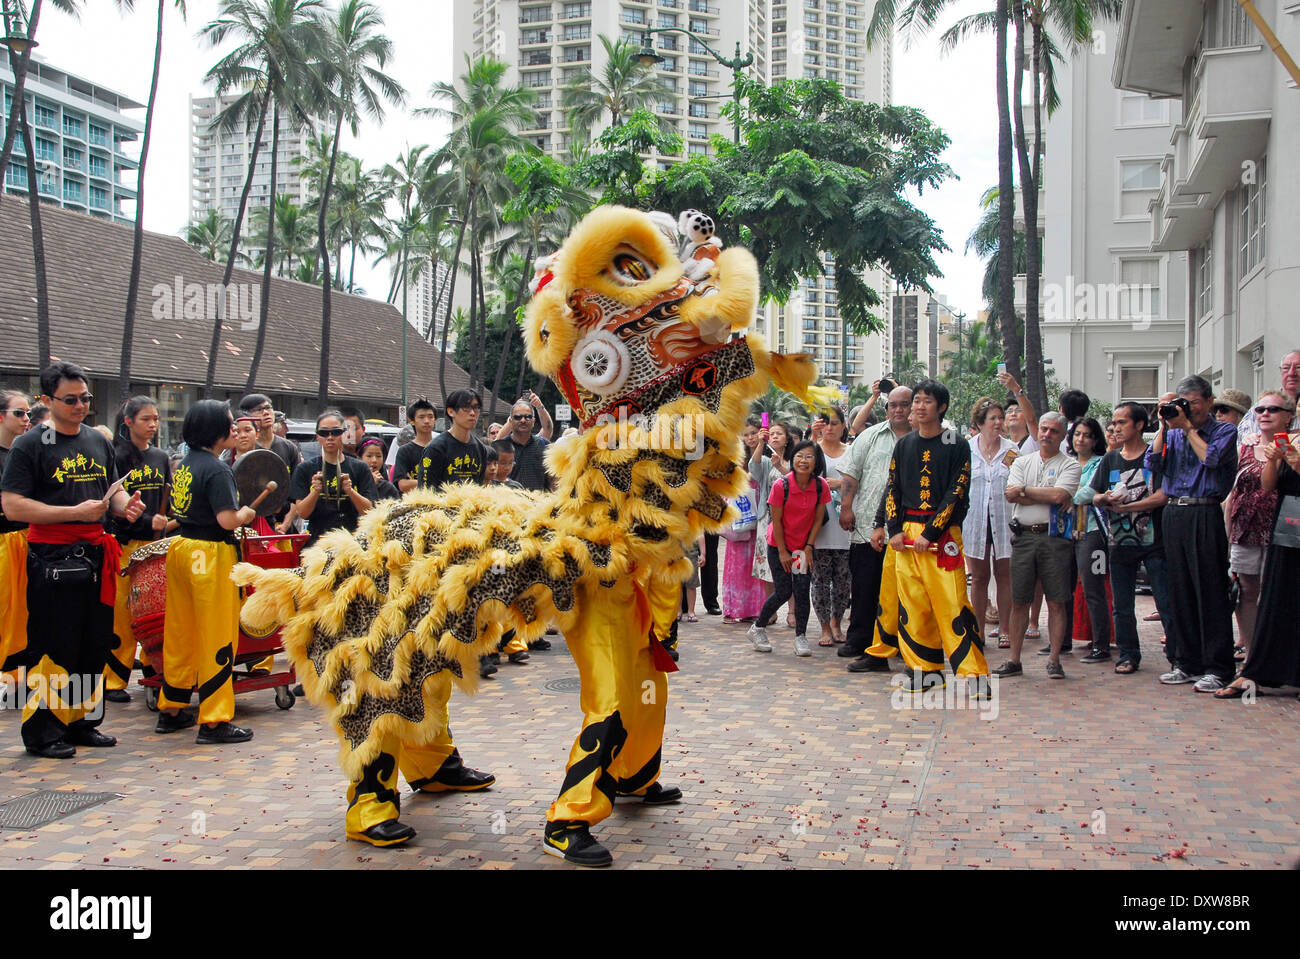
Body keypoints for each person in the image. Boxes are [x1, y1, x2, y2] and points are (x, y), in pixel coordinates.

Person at [1, 362, 145, 758]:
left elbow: (110, 489)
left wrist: (124, 507)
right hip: (52, 558)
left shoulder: (97, 441)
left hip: (97, 554)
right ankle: (44, 731)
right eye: (71, 400)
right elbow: (12, 506)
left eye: (85, 398)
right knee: (53, 646)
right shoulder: (30, 445)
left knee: (93, 642)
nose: (81, 405)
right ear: (46, 400)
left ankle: (81, 720)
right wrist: (72, 513)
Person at [864, 380, 989, 690]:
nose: (918, 407)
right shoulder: (904, 444)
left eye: (926, 401)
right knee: (913, 605)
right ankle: (925, 672)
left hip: (942, 537)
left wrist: (932, 532)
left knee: (953, 603)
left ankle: (973, 675)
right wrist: (892, 528)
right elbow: (893, 487)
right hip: (906, 537)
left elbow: (956, 492)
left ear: (941, 407)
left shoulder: (955, 443)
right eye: (916, 401)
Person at [154, 400, 257, 744]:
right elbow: (227, 520)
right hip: (210, 554)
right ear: (213, 430)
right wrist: (245, 514)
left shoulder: (185, 465)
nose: (233, 429)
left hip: (182, 548)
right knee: (217, 636)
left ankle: (171, 709)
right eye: (229, 424)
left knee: (181, 633)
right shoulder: (216, 469)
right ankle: (213, 720)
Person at [1147, 375, 1238, 693]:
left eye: (1193, 403)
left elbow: (1212, 458)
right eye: (1181, 403)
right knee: (1179, 589)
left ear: (1209, 402)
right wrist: (1163, 426)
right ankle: (1185, 662)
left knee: (1210, 590)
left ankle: (1218, 666)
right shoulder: (1172, 431)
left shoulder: (1224, 430)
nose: (1186, 409)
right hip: (1174, 512)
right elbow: (1152, 462)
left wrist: (1187, 428)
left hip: (1204, 510)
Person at [995, 412, 1081, 680]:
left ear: (1063, 435)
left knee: (1056, 601)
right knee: (1019, 599)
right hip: (1023, 537)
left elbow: (1060, 495)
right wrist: (1047, 494)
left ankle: (1054, 660)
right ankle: (1014, 660)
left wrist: (1026, 491)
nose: (1046, 434)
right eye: (1043, 429)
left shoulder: (1071, 465)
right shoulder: (1022, 461)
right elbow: (1010, 494)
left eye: (1053, 431)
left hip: (1055, 538)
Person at [1215, 433, 1300, 698]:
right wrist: (1274, 461)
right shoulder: (1291, 439)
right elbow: (1268, 486)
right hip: (1288, 526)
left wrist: (1297, 464)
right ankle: (1258, 673)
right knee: (1277, 599)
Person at [1089, 402, 1168, 675]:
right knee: (1122, 605)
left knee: (1166, 602)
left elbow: (1162, 495)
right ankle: (1128, 654)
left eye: (1122, 422)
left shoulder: (1153, 457)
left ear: (1140, 425)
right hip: (1119, 541)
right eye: (1114, 423)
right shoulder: (1110, 459)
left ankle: (1179, 655)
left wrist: (1128, 507)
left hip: (1153, 542)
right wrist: (1105, 499)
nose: (1116, 428)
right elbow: (1093, 494)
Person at [839, 384, 912, 672]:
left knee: (905, 591)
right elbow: (851, 474)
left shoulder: (925, 439)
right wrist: (846, 507)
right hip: (868, 525)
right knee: (866, 585)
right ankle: (860, 640)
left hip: (909, 531)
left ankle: (902, 643)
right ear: (886, 408)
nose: (898, 410)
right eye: (893, 405)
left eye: (904, 404)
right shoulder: (870, 436)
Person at [105, 396, 172, 703]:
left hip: (156, 546)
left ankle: (153, 672)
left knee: (155, 613)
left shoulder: (160, 456)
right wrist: (145, 519)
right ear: (128, 421)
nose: (153, 425)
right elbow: (111, 502)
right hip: (124, 545)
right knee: (122, 613)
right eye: (146, 419)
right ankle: (113, 680)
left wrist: (168, 520)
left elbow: (170, 494)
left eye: (156, 419)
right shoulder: (116, 456)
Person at [1223, 391, 1291, 663]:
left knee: (1277, 592)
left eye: (1272, 409)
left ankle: (1277, 657)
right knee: (1246, 591)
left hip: (1282, 530)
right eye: (1260, 409)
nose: (1264, 414)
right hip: (1245, 528)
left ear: (1287, 416)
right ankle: (1251, 655)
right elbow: (1233, 494)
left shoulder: (1292, 447)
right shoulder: (1245, 447)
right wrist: (1227, 535)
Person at [748, 440, 829, 657]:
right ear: (793, 458)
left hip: (803, 549)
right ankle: (757, 628)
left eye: (809, 457)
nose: (804, 461)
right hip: (779, 545)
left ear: (816, 461)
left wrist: (809, 547)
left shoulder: (821, 486)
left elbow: (818, 519)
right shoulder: (781, 485)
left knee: (802, 591)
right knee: (783, 591)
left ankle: (801, 637)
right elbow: (777, 522)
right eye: (800, 456)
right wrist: (783, 552)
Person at [962, 396, 1017, 649]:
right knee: (979, 576)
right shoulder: (967, 449)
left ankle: (1005, 628)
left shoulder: (1012, 450)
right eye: (992, 418)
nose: (998, 422)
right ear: (980, 423)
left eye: (1000, 417)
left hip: (1004, 519)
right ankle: (978, 629)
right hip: (975, 520)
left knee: (1004, 574)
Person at [289, 410, 377, 546]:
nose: (330, 437)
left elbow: (369, 510)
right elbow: (302, 513)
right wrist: (315, 491)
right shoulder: (305, 468)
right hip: (317, 542)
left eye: (335, 432)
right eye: (324, 433)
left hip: (351, 541)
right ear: (317, 436)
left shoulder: (360, 468)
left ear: (345, 434)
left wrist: (350, 491)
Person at [1067, 418, 1114, 663]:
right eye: (1077, 434)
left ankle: (1101, 645)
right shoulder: (1066, 462)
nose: (1080, 439)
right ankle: (1062, 641)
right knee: (1064, 589)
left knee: (1092, 589)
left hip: (1093, 532)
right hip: (1065, 531)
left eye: (1086, 435)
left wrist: (1063, 494)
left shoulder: (1101, 463)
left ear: (1095, 440)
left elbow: (1088, 492)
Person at [811, 407, 852, 646]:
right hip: (819, 526)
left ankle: (837, 622)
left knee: (843, 581)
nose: (830, 428)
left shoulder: (852, 451)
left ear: (844, 426)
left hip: (845, 524)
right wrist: (812, 439)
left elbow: (860, 480)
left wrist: (841, 483)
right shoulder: (813, 451)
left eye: (835, 423)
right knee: (820, 580)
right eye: (825, 423)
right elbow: (800, 471)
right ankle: (824, 626)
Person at [720, 420, 767, 625]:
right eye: (746, 434)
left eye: (754, 433)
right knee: (737, 565)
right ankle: (734, 608)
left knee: (755, 565)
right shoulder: (734, 457)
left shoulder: (765, 458)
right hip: (739, 518)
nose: (750, 438)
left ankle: (756, 609)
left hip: (760, 516)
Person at [0, 390, 32, 681]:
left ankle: (16, 674)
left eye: (27, 414)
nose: (25, 419)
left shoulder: (22, 454)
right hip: (3, 541)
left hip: (25, 539)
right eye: (19, 413)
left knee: (23, 611)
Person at [749, 420, 793, 620]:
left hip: (790, 520)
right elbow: (754, 468)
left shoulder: (795, 459)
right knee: (766, 563)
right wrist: (760, 443)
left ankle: (792, 611)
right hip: (767, 519)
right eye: (772, 433)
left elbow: (798, 482)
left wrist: (781, 467)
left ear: (787, 439)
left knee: (791, 564)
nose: (775, 437)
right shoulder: (767, 461)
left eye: (779, 434)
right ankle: (771, 610)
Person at [238, 394, 301, 533]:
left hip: (283, 524)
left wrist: (286, 523)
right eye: (259, 410)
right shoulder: (244, 448)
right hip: (252, 524)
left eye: (268, 408)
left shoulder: (289, 447)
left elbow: (298, 492)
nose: (266, 413)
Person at [1237, 350, 1300, 442]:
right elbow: (1243, 440)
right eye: (1286, 368)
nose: (1291, 373)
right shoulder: (1260, 407)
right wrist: (1250, 439)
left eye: (1298, 367)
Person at [393, 399, 437, 492]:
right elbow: (402, 484)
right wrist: (433, 482)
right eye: (421, 417)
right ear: (412, 420)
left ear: (435, 420)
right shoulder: (405, 451)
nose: (426, 421)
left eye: (430, 417)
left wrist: (414, 482)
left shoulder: (442, 447)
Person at [357, 436, 400, 501]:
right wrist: (370, 485)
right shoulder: (352, 483)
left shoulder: (388, 488)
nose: (374, 460)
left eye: (378, 456)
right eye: (369, 456)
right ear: (359, 458)